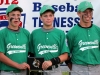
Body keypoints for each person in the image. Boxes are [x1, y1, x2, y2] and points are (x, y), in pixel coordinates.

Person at [30, 5, 70, 75]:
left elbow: (65, 55)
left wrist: (51, 61)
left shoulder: (60, 33)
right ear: (41, 18)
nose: (48, 18)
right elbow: (31, 54)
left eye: (50, 15)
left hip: (55, 68)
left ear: (53, 17)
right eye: (45, 16)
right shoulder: (34, 33)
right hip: (38, 69)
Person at [66, 1, 100, 75]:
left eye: (90, 12)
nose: (88, 14)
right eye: (85, 11)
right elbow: (67, 53)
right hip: (78, 67)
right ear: (78, 13)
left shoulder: (98, 30)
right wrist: (73, 68)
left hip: (96, 68)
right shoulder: (72, 32)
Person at [0, 4, 30, 75]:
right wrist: (18, 65)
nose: (16, 17)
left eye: (18, 15)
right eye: (13, 15)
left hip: (23, 72)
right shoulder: (2, 33)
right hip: (7, 72)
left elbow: (31, 53)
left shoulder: (26, 33)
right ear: (7, 17)